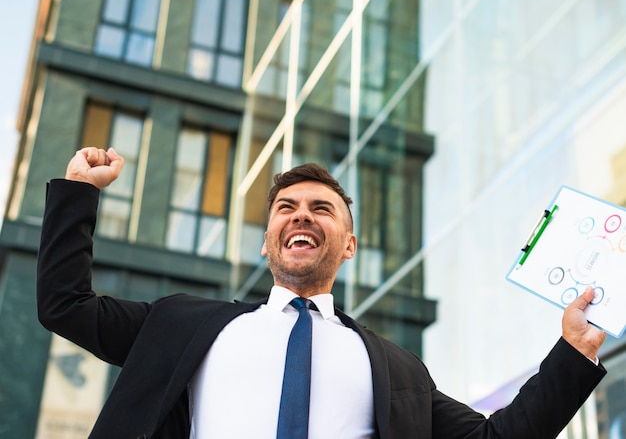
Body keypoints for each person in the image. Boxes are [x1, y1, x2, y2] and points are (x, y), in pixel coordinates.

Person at [37, 146, 607, 439]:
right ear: (268, 242)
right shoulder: (181, 323)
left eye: (320, 209)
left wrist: (574, 353)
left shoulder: (398, 369)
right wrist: (78, 194)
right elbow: (65, 304)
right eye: (286, 208)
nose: (300, 217)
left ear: (349, 244)